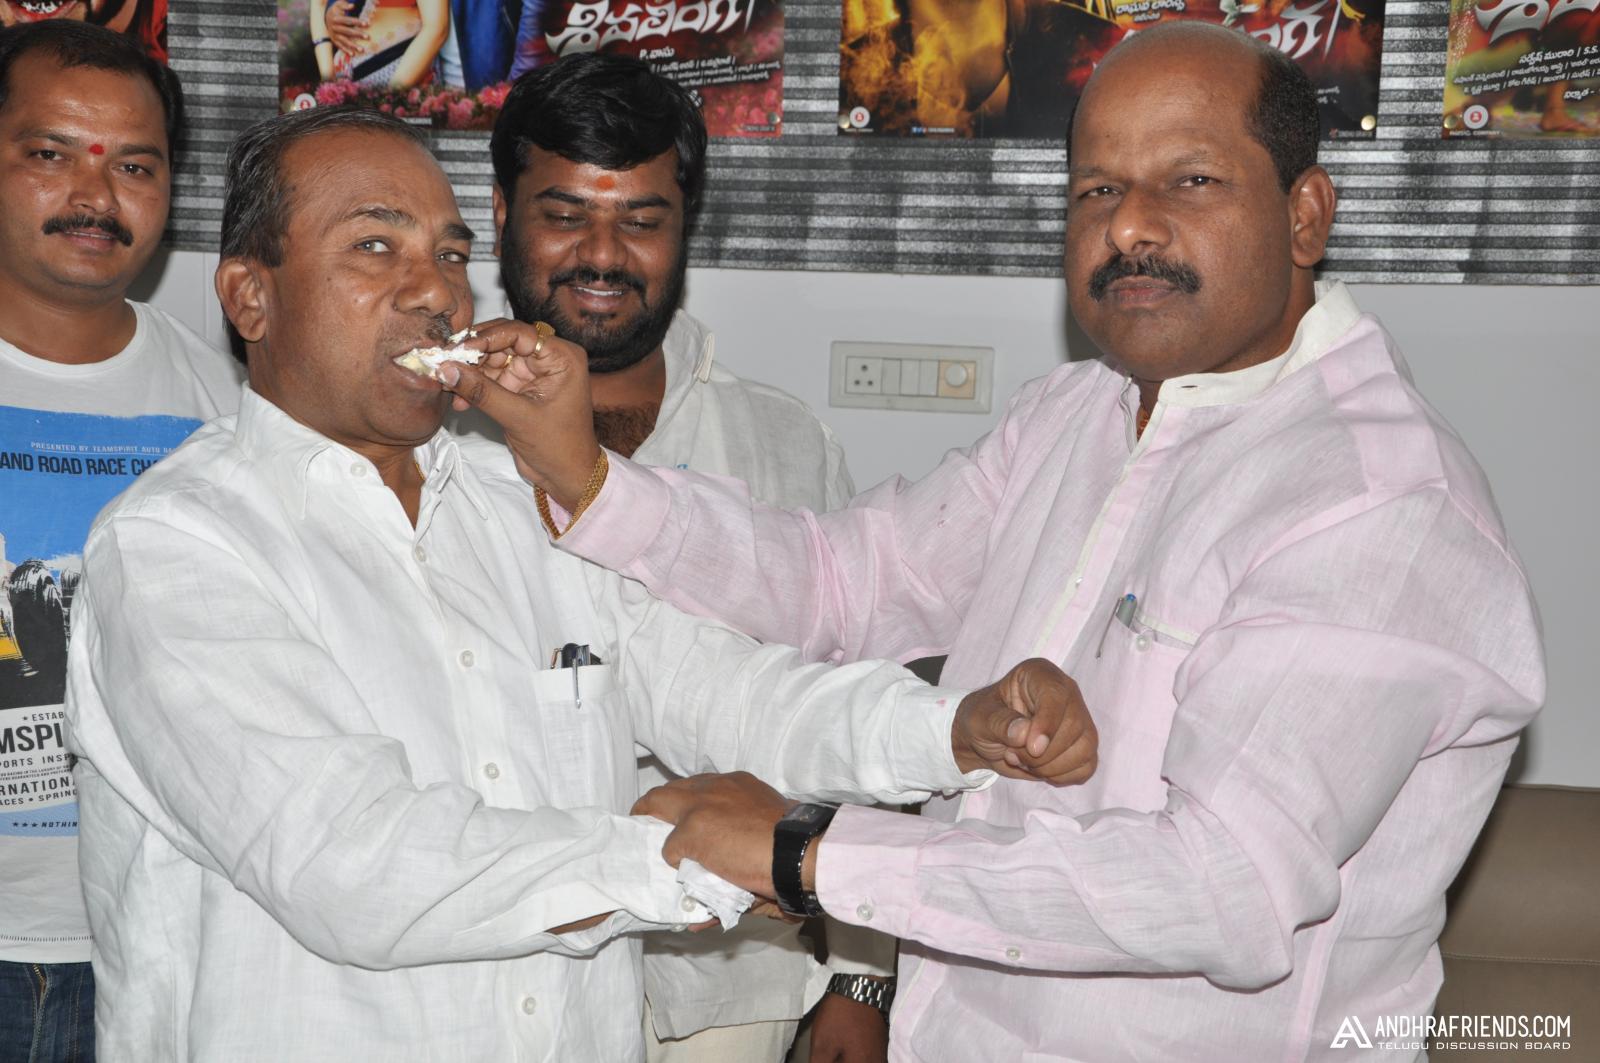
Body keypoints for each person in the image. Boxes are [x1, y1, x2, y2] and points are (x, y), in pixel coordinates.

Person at [455, 21, 1547, 1060]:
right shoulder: (1078, 414)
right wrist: (587, 476)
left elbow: (1222, 887)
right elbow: (845, 581)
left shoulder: (1373, 502)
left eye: (1190, 181)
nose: (1131, 227)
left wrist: (809, 853)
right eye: (1098, 189)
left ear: (1306, 215)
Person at [62, 104, 1096, 1061]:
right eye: (375, 247)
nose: (436, 292)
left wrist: (952, 730)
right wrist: (687, 858)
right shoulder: (177, 545)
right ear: (251, 296)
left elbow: (727, 688)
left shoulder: (519, 501)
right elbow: (354, 864)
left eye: (451, 254)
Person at [486, 52, 894, 1063]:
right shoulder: (435, 438)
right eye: (565, 214)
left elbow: (855, 705)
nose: (602, 254)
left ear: (685, 230)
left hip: (734, 971)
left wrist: (860, 975)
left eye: (641, 220)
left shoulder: (782, 445)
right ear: (501, 215)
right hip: (504, 966)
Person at [0, 21, 238, 1063]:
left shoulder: (225, 411)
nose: (95, 196)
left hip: (152, 939)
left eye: (134, 166)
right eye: (50, 153)